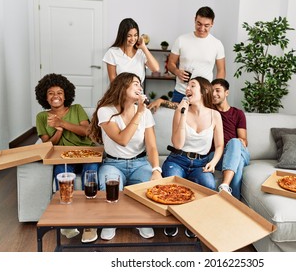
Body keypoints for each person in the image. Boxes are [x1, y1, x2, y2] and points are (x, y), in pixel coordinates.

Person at [88, 72, 163, 241]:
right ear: (123, 86)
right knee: (111, 188)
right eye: (135, 83)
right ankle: (111, 221)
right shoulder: (105, 111)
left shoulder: (146, 113)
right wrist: (139, 113)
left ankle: (142, 220)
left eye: (140, 84)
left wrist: (156, 169)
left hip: (140, 163)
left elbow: (151, 146)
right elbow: (122, 140)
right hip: (113, 164)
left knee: (152, 187)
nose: (140, 87)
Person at [35, 73, 99, 243]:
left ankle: (89, 223)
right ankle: (67, 222)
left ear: (66, 94)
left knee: (91, 174)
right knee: (60, 175)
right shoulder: (42, 117)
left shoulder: (77, 109)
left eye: (59, 92)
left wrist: (62, 123)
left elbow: (87, 132)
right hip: (63, 157)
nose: (56, 96)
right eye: (51, 93)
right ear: (44, 96)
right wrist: (58, 131)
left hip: (86, 154)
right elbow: (48, 145)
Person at [162, 76, 224, 237]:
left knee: (209, 186)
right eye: (187, 86)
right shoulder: (180, 111)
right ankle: (172, 221)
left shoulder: (215, 115)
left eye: (192, 85)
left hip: (201, 163)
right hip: (177, 160)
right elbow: (178, 144)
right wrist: (182, 113)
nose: (187, 89)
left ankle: (195, 221)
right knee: (171, 187)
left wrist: (213, 162)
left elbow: (219, 146)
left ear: (204, 91)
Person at [148, 6, 226, 112]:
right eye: (199, 24)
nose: (202, 28)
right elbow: (170, 64)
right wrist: (176, 71)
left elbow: (221, 70)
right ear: (194, 20)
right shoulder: (181, 40)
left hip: (205, 95)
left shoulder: (217, 44)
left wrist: (214, 90)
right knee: (177, 124)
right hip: (181, 92)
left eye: (206, 25)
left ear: (212, 24)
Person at [210, 79, 250, 200]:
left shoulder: (238, 114)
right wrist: (161, 101)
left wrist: (238, 143)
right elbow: (185, 105)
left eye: (218, 90)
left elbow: (244, 140)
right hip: (218, 157)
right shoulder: (209, 112)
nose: (213, 94)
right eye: (211, 91)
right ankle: (233, 201)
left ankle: (225, 185)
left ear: (226, 93)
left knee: (234, 142)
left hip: (236, 149)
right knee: (238, 165)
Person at [103, 18, 160, 83]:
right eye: (129, 36)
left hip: (138, 92)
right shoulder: (112, 52)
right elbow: (113, 80)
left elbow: (156, 69)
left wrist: (144, 48)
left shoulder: (141, 52)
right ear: (122, 35)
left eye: (135, 35)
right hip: (120, 92)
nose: (133, 39)